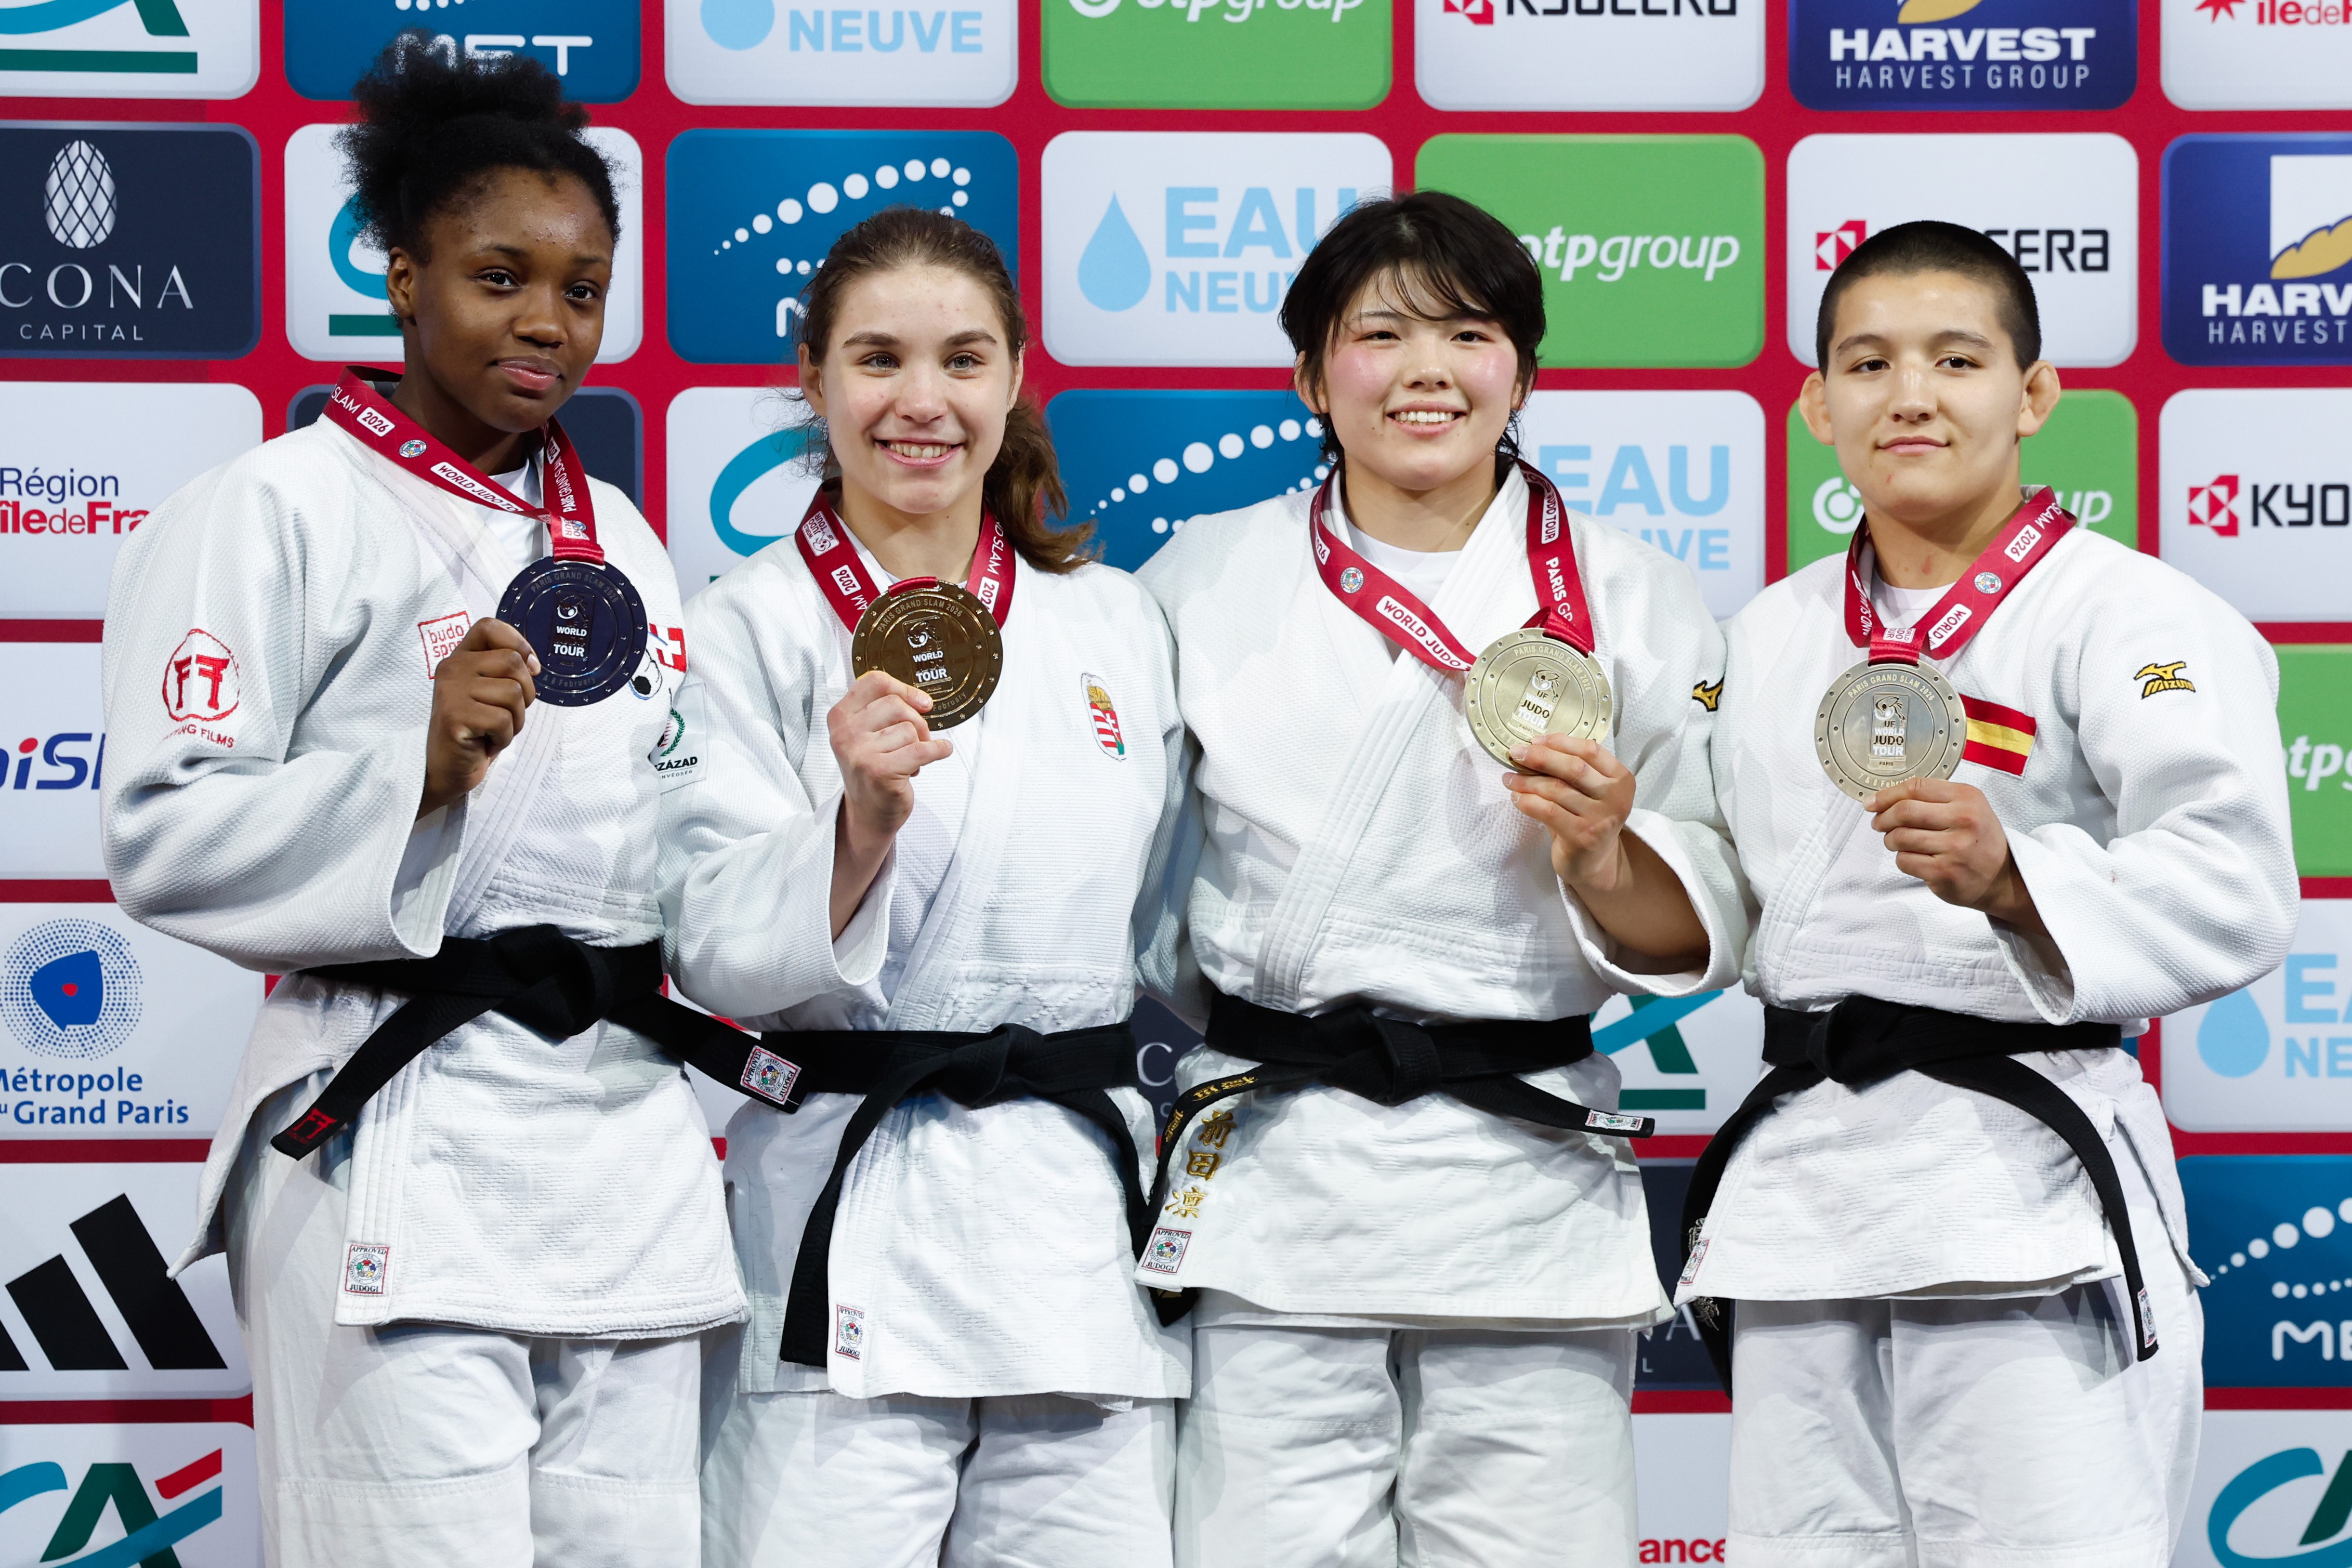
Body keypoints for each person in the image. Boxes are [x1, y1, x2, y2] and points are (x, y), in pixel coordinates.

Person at [99, 37, 741, 1567]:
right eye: (499, 275)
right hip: (395, 1121)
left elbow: (668, 829)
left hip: (620, 1148)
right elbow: (161, 828)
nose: (548, 323)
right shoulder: (273, 508)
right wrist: (417, 767)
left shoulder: (629, 543)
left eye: (582, 288)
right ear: (400, 273)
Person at [1136, 189, 1749, 1567]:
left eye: (1469, 333)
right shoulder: (1201, 578)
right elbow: (1130, 889)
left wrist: (1600, 849)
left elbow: (1704, 910)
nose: (1428, 369)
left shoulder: (1635, 596)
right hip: (1284, 1178)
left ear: (1520, 371)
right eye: (1382, 333)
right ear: (1311, 374)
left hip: (1524, 1174)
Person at [1679, 220, 2296, 1567]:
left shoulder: (2135, 614)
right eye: (1869, 361)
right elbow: (1722, 897)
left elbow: (2237, 877)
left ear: (2034, 395)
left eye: (1957, 359)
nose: (1911, 395)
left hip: (2025, 1189)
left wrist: (2016, 880)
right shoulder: (1767, 636)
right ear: (1815, 402)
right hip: (1806, 1195)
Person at [662, 207, 1190, 1568]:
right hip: (851, 1208)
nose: (922, 401)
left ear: (1015, 379)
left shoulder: (1112, 623)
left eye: (963, 360)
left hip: (1076, 1223)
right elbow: (714, 947)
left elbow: (1182, 922)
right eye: (878, 359)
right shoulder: (748, 626)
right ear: (815, 381)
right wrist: (858, 828)